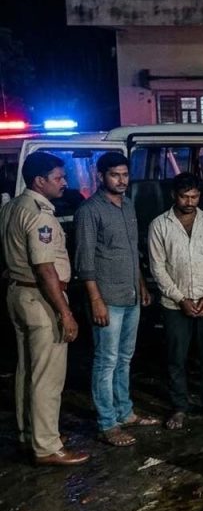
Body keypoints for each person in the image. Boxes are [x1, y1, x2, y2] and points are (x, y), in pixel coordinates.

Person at [2, 152, 89, 465]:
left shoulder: (12, 207)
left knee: (26, 371)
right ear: (39, 181)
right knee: (47, 377)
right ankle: (48, 447)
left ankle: (31, 434)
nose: (64, 183)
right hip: (41, 298)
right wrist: (64, 312)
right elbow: (44, 268)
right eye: (58, 177)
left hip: (18, 293)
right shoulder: (39, 214)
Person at [75, 151, 157, 447]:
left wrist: (142, 286)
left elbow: (132, 252)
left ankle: (125, 411)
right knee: (106, 361)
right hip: (106, 298)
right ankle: (107, 423)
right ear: (101, 176)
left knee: (124, 359)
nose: (122, 180)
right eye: (115, 175)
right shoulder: (89, 210)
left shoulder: (127, 206)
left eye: (125, 175)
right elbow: (85, 262)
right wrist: (95, 300)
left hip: (131, 295)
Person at [147, 173, 203, 430]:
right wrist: (180, 298)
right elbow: (157, 268)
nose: (189, 201)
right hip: (174, 305)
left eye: (194, 196)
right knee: (176, 358)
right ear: (174, 195)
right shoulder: (159, 225)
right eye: (184, 196)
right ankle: (179, 407)